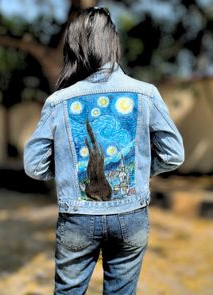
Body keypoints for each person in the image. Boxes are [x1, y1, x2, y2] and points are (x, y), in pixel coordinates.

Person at [24, 6, 184, 295]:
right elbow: (173, 154)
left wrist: (67, 170)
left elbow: (34, 165)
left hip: (77, 217)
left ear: (75, 48)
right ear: (113, 45)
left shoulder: (58, 101)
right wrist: (139, 171)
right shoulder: (145, 93)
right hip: (131, 215)